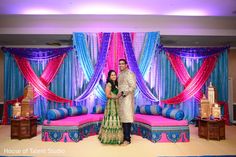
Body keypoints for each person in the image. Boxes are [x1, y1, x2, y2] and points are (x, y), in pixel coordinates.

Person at [98, 70, 123, 144]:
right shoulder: (109, 84)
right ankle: (109, 138)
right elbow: (107, 95)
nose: (114, 76)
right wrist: (117, 97)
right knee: (111, 118)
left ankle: (116, 137)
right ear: (109, 76)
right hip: (111, 103)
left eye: (114, 75)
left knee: (116, 118)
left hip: (116, 103)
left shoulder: (116, 83)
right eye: (112, 75)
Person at [118, 59, 136, 145]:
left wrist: (124, 93)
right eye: (119, 64)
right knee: (123, 118)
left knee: (127, 118)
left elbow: (133, 86)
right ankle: (124, 137)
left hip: (127, 98)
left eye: (122, 64)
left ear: (126, 65)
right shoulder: (120, 74)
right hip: (120, 98)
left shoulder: (129, 73)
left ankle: (127, 139)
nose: (121, 65)